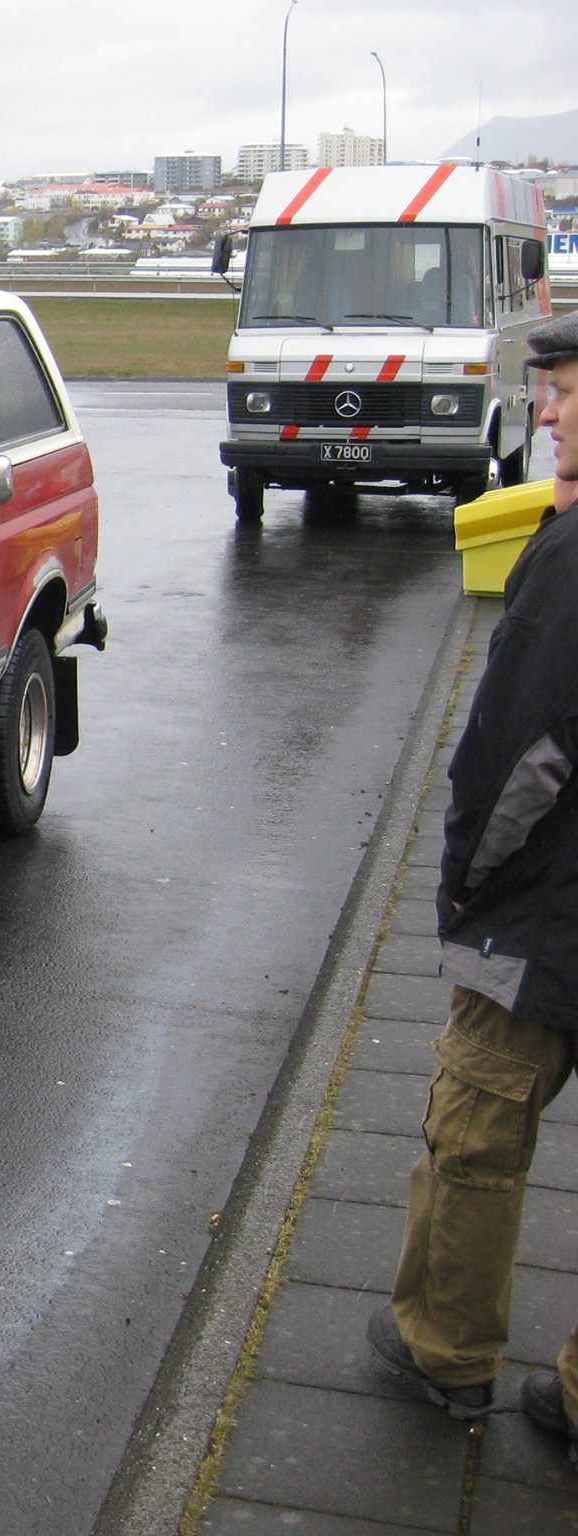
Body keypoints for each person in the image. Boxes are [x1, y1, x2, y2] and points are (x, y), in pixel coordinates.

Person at [366, 308, 578, 1460]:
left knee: (473, 1134)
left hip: (543, 916)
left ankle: (445, 1350)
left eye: (558, 390)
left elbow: (519, 756)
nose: (540, 411)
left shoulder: (570, 561)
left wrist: (465, 892)